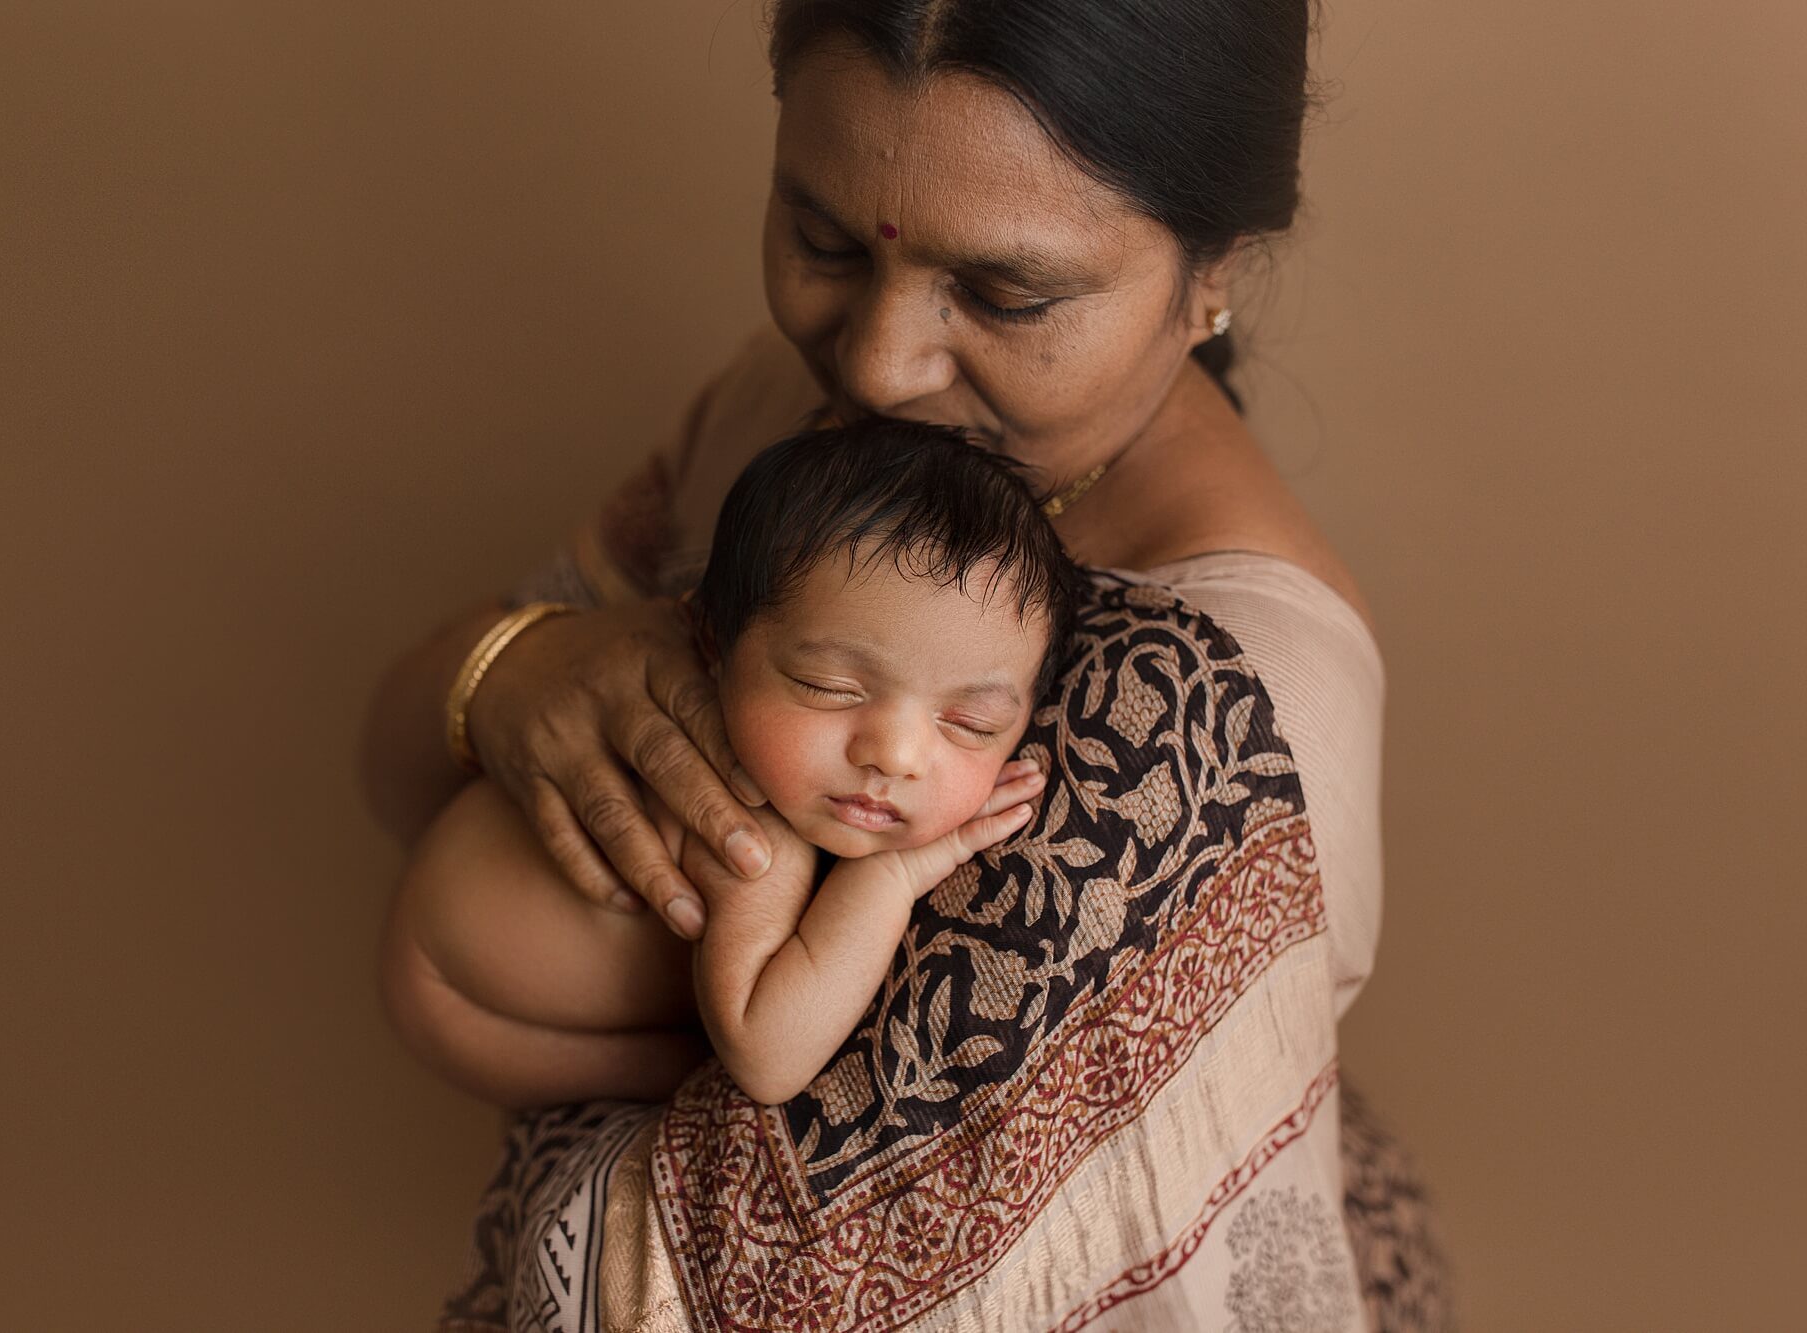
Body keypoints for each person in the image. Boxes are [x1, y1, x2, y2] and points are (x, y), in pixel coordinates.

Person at [364, 1, 1453, 1328]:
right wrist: (518, 672)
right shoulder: (790, 415)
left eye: (1007, 294)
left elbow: (741, 1278)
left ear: (1211, 269)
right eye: (822, 239)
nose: (878, 367)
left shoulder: (1217, 706)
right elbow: (398, 752)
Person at [391, 421, 1079, 1109]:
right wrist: (891, 875)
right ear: (712, 644)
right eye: (830, 688)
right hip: (455, 990)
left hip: (448, 916)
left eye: (970, 725)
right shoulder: (748, 828)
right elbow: (768, 1059)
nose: (896, 755)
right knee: (698, 1079)